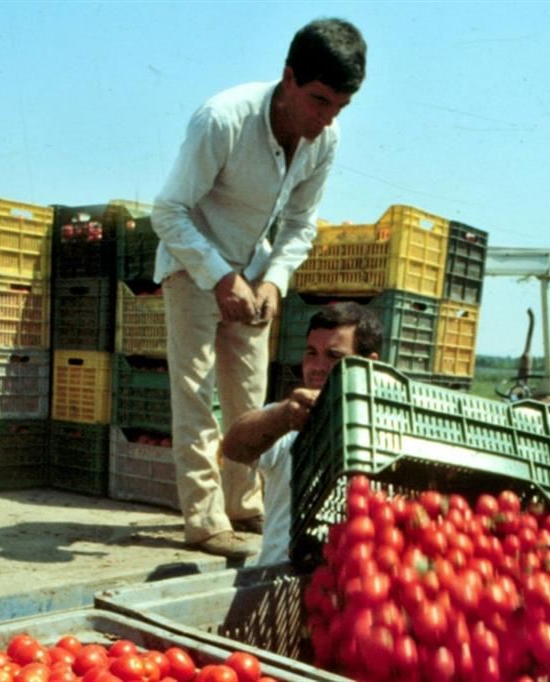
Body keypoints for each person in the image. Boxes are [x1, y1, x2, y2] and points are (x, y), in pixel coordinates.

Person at [151, 19, 368, 558]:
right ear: (288, 78)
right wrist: (218, 275)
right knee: (196, 395)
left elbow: (300, 224)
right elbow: (168, 211)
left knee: (249, 396)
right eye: (318, 101)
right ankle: (203, 521)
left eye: (338, 107)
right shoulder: (223, 120)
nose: (325, 119)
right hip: (192, 263)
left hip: (253, 271)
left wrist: (273, 280)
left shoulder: (325, 138)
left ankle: (244, 505)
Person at [222, 302, 383, 566]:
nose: (317, 366)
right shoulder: (289, 417)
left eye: (334, 356)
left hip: (352, 581)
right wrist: (284, 416)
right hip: (277, 579)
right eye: (311, 353)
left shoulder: (386, 429)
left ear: (369, 364)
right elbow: (234, 447)